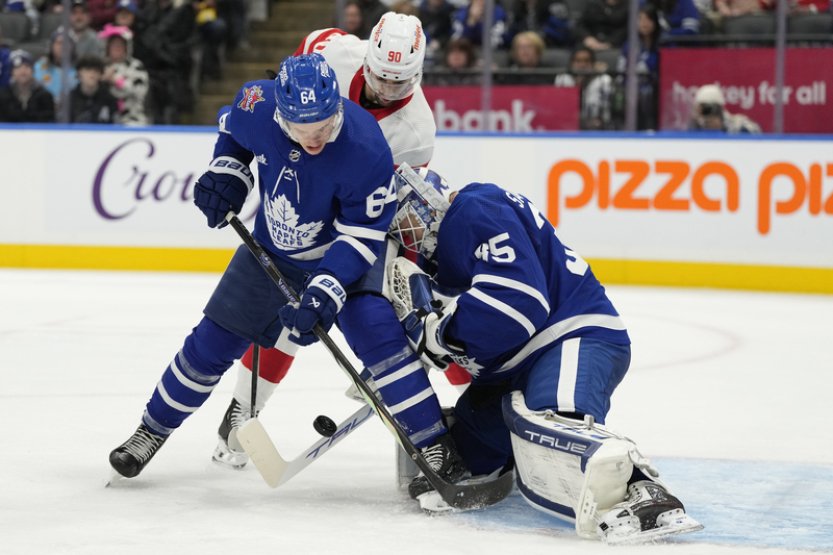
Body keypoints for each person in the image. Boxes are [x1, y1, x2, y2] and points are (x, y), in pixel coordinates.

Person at [109, 53, 458, 483]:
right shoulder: (257, 102)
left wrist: (326, 289)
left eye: (324, 128)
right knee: (209, 344)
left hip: (345, 255)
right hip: (272, 251)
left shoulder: (366, 146)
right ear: (280, 115)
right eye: (300, 130)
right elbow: (232, 134)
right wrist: (229, 171)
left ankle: (433, 444)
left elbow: (363, 235)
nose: (313, 140)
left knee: (379, 339)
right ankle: (150, 431)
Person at [385, 164, 704, 543]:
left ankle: (644, 488)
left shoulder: (472, 209)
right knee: (465, 441)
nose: (409, 233)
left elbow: (520, 301)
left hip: (573, 336)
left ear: (427, 197)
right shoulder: (451, 253)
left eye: (408, 216)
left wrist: (443, 334)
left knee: (551, 422)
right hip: (517, 365)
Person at [211, 13, 472, 472]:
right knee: (287, 317)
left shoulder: (416, 132)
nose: (386, 91)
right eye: (380, 78)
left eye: (400, 84)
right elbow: (285, 85)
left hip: (354, 220)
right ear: (365, 58)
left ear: (419, 74)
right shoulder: (331, 49)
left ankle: (444, 392)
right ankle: (241, 409)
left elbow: (381, 211)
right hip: (303, 195)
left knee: (376, 310)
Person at [99, 23, 149, 125]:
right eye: (113, 45)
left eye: (120, 45)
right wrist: (102, 81)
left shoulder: (136, 66)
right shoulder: (101, 66)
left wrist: (116, 81)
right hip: (105, 118)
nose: (117, 48)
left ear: (127, 47)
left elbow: (140, 91)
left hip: (133, 118)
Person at [0, 49, 56, 122]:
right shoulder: (3, 96)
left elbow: (49, 123)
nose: (23, 71)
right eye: (18, 67)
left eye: (26, 67)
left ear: (32, 70)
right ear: (11, 72)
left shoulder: (44, 96)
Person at [688, 83, 761, 133]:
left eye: (707, 109)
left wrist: (723, 129)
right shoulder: (696, 127)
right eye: (700, 109)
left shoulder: (740, 125)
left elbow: (757, 138)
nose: (705, 115)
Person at [69, 54, 118, 123]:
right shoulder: (69, 99)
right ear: (79, 73)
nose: (92, 74)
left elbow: (115, 125)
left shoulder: (109, 99)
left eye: (96, 70)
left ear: (101, 75)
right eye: (87, 70)